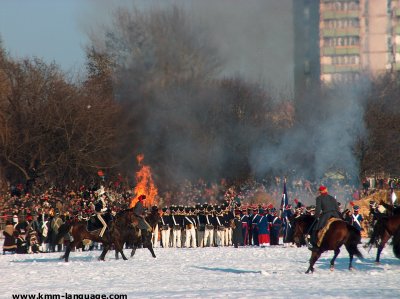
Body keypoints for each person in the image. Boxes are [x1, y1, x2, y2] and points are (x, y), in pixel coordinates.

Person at [308, 185, 341, 251]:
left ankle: (314, 243)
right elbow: (337, 209)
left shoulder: (319, 198)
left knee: (316, 228)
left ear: (320, 192)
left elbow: (318, 210)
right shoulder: (332, 198)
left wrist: (315, 216)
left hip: (326, 215)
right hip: (336, 215)